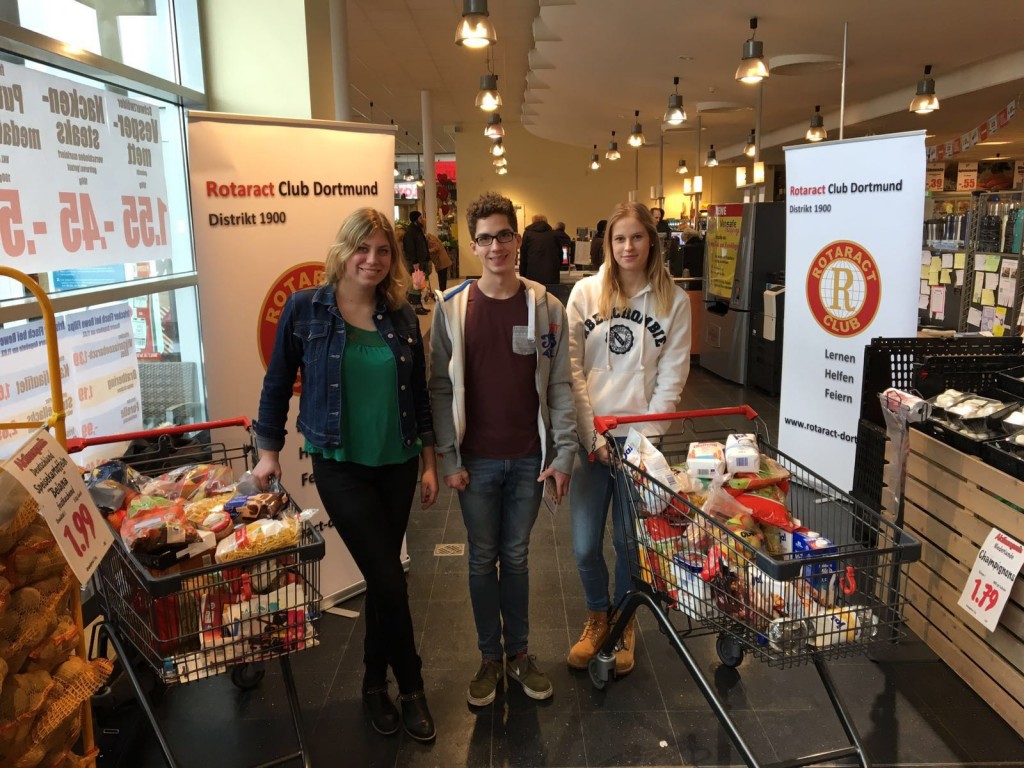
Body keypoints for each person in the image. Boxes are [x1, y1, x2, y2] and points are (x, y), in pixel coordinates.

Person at [251, 208, 439, 743]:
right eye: (364, 249)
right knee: (388, 579)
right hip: (339, 465)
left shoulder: (401, 315)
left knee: (383, 581)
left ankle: (374, 686)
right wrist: (270, 452)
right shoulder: (306, 309)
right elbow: (277, 383)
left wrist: (429, 461)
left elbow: (419, 397)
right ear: (344, 251)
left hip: (398, 463)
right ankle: (414, 687)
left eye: (383, 251)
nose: (373, 260)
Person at [429, 192, 577, 707]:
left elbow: (559, 386)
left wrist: (563, 455)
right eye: (486, 238)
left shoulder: (547, 308)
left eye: (504, 235)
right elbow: (440, 390)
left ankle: (519, 655)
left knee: (515, 558)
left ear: (517, 239)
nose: (496, 246)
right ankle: (489, 657)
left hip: (528, 462)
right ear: (474, 246)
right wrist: (449, 459)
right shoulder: (451, 309)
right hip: (477, 462)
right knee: (480, 559)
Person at [564, 201, 691, 676]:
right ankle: (597, 616)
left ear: (651, 242)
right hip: (591, 437)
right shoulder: (584, 293)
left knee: (628, 542)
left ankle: (622, 625)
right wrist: (589, 432)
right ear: (608, 243)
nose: (628, 247)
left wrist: (643, 443)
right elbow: (572, 371)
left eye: (637, 237)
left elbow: (671, 379)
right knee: (583, 543)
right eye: (620, 238)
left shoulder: (672, 301)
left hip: (640, 444)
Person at [518, 213, 562, 285]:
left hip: (532, 277)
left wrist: (523, 276)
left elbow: (523, 257)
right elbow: (560, 255)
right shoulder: (554, 234)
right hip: (551, 276)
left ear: (533, 222)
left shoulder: (527, 234)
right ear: (546, 221)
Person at [404, 211, 431, 314]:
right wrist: (415, 261)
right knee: (415, 285)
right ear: (415, 220)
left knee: (419, 285)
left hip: (420, 262)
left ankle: (419, 305)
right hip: (415, 263)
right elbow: (410, 248)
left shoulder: (418, 230)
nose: (422, 220)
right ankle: (415, 307)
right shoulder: (410, 232)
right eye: (420, 218)